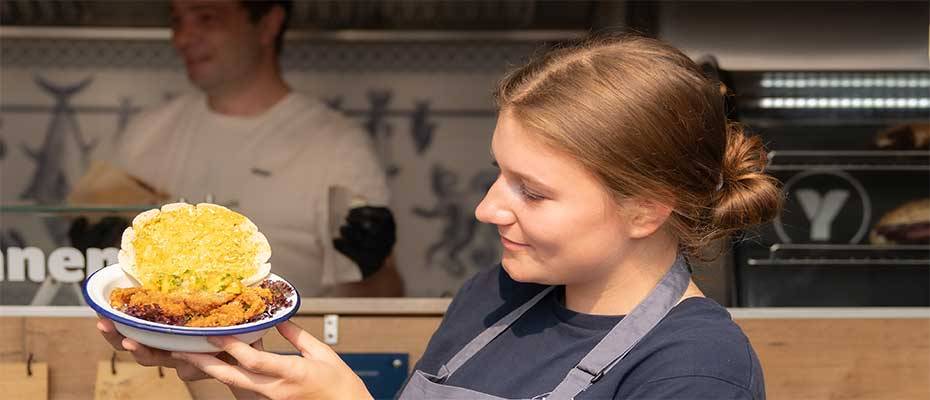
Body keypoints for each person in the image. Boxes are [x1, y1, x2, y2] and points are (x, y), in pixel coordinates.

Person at [99, 35, 783, 399]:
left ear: (645, 209)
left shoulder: (694, 369)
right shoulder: (494, 300)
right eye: (498, 174)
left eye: (533, 192)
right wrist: (220, 369)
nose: (488, 209)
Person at [71, 0, 402, 298]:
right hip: (158, 353)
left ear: (268, 24)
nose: (183, 38)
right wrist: (92, 250)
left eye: (206, 17)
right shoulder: (144, 135)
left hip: (282, 357)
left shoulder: (337, 147)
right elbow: (105, 280)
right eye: (177, 21)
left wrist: (371, 265)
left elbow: (379, 306)